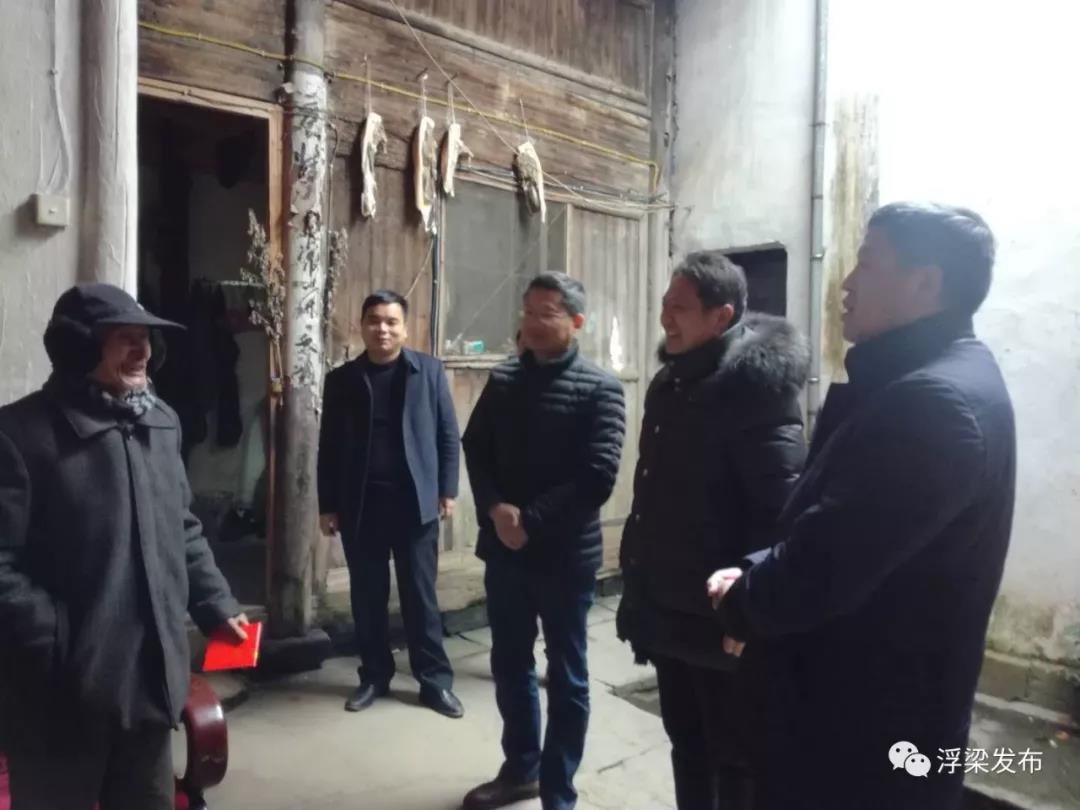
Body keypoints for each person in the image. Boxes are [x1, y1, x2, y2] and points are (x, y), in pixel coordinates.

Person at [709, 203, 1016, 810]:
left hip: (858, 740)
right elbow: (838, 524)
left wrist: (743, 602)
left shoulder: (933, 403)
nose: (846, 283)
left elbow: (828, 565)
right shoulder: (934, 380)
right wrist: (754, 569)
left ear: (925, 283)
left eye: (868, 264)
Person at [0, 283, 248, 810]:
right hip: (59, 697)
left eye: (147, 339)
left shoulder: (161, 422)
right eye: (126, 339)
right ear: (79, 348)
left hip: (149, 687)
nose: (144, 352)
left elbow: (182, 526)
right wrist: (57, 638)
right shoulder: (19, 435)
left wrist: (215, 602)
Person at [615, 252, 809, 810]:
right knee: (686, 741)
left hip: (722, 615)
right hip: (669, 604)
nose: (665, 319)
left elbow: (779, 511)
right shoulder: (671, 382)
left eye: (679, 308)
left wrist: (751, 606)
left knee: (734, 757)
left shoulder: (756, 390)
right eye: (664, 305)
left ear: (720, 316)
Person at [461, 273, 626, 810]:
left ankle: (559, 791)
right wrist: (495, 509)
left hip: (564, 557)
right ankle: (521, 770)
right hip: (505, 551)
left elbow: (597, 477)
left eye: (547, 313)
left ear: (576, 322)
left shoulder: (601, 388)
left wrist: (528, 520)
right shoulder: (505, 378)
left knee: (568, 676)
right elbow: (476, 447)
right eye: (528, 311)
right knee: (510, 664)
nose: (532, 322)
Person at [317, 290, 463, 718]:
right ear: (361, 326)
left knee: (421, 597)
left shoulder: (428, 372)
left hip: (415, 505)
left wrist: (447, 490)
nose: (382, 329)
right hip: (361, 506)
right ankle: (374, 676)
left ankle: (434, 682)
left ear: (404, 328)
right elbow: (329, 447)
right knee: (367, 597)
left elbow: (447, 435)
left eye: (391, 321)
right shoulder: (342, 380)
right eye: (374, 320)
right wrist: (328, 505)